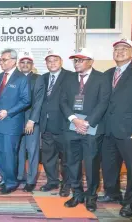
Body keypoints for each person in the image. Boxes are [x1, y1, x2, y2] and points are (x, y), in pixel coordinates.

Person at [99, 39, 132, 218]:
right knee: (109, 165)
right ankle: (112, 192)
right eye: (116, 49)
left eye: (124, 49)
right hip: (108, 130)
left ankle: (130, 202)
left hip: (131, 131)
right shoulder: (107, 74)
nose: (119, 51)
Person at [60, 48, 111, 212]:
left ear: (90, 61)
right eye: (75, 60)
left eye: (80, 60)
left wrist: (87, 122)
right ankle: (77, 194)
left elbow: (103, 102)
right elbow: (63, 102)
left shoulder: (102, 78)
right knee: (72, 163)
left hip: (92, 128)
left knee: (91, 165)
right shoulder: (68, 79)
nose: (77, 63)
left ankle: (91, 197)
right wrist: (74, 120)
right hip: (71, 127)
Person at [0, 48, 30, 194]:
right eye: (0, 59)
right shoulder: (0, 76)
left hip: (11, 123)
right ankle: (4, 178)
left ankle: (11, 183)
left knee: (9, 153)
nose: (1, 62)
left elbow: (26, 100)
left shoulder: (21, 78)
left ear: (13, 61)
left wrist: (9, 112)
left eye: (4, 59)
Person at [38, 49, 73, 196]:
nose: (52, 63)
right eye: (49, 61)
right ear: (46, 63)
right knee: (48, 157)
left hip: (63, 125)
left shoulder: (71, 76)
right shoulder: (43, 78)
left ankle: (67, 184)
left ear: (61, 62)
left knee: (66, 158)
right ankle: (52, 181)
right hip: (46, 125)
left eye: (55, 60)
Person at [16, 51, 45, 192]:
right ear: (19, 64)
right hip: (16, 121)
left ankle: (31, 180)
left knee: (32, 151)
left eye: (28, 62)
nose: (25, 65)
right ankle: (20, 175)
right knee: (19, 150)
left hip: (31, 122)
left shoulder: (38, 79)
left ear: (32, 65)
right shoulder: (15, 78)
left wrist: (32, 120)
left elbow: (39, 102)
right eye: (23, 62)